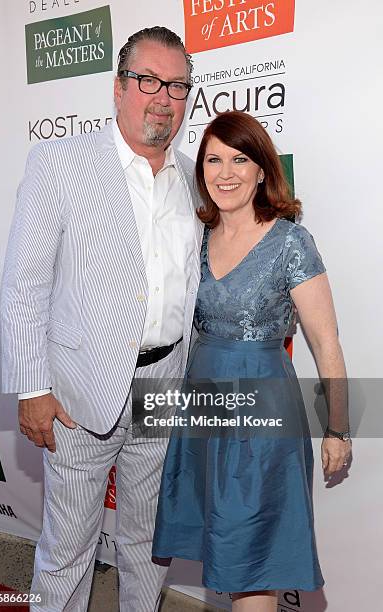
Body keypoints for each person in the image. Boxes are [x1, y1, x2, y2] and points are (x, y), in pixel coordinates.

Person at [0, 26, 203, 612]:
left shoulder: (194, 179)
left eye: (176, 85)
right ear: (119, 88)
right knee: (67, 549)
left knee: (147, 544)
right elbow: (25, 282)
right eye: (148, 81)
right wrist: (33, 388)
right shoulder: (60, 163)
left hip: (164, 388)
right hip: (78, 392)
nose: (162, 97)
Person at [151, 111, 352, 612]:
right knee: (225, 550)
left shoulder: (290, 242)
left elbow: (326, 345)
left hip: (262, 417)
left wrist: (338, 429)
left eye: (239, 159)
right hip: (203, 409)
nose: (225, 172)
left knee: (253, 563)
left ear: (262, 169)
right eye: (213, 159)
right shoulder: (195, 240)